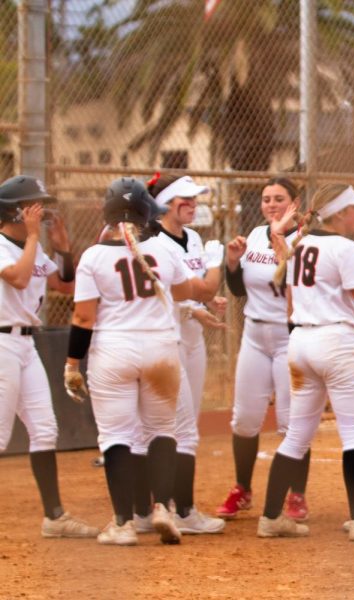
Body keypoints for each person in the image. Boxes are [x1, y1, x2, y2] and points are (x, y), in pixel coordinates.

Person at [257, 183, 354, 541]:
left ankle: (271, 516)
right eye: (352, 209)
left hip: (300, 341)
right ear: (338, 214)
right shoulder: (344, 247)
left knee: (296, 437)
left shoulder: (301, 244)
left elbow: (291, 307)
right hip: (335, 341)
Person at [65, 178, 193, 545]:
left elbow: (84, 319)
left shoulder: (93, 256)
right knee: (161, 431)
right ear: (145, 212)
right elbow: (186, 291)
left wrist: (72, 363)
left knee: (117, 436)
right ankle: (164, 508)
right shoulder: (165, 249)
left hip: (114, 351)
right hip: (160, 349)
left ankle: (123, 523)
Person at [0, 175, 98, 540]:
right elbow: (20, 279)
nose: (40, 212)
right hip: (2, 345)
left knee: (45, 429)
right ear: (14, 210)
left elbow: (65, 283)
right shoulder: (7, 244)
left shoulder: (34, 247)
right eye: (33, 205)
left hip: (27, 346)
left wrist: (63, 247)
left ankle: (54, 517)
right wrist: (31, 237)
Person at [217, 177, 311, 522]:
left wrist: (282, 243)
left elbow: (297, 285)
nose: (271, 205)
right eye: (266, 199)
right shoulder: (256, 236)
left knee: (291, 422)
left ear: (295, 203)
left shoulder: (304, 239)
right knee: (244, 419)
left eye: (279, 198)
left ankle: (296, 495)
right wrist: (231, 263)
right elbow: (240, 289)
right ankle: (243, 489)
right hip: (255, 336)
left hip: (290, 337)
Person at [141, 173, 225, 534]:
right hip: (167, 339)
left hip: (192, 339)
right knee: (177, 427)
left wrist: (200, 303)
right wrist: (197, 302)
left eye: (195, 199)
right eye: (185, 199)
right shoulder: (153, 242)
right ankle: (183, 510)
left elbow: (192, 291)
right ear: (167, 203)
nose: (193, 204)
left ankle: (159, 508)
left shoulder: (191, 238)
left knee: (181, 423)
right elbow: (167, 296)